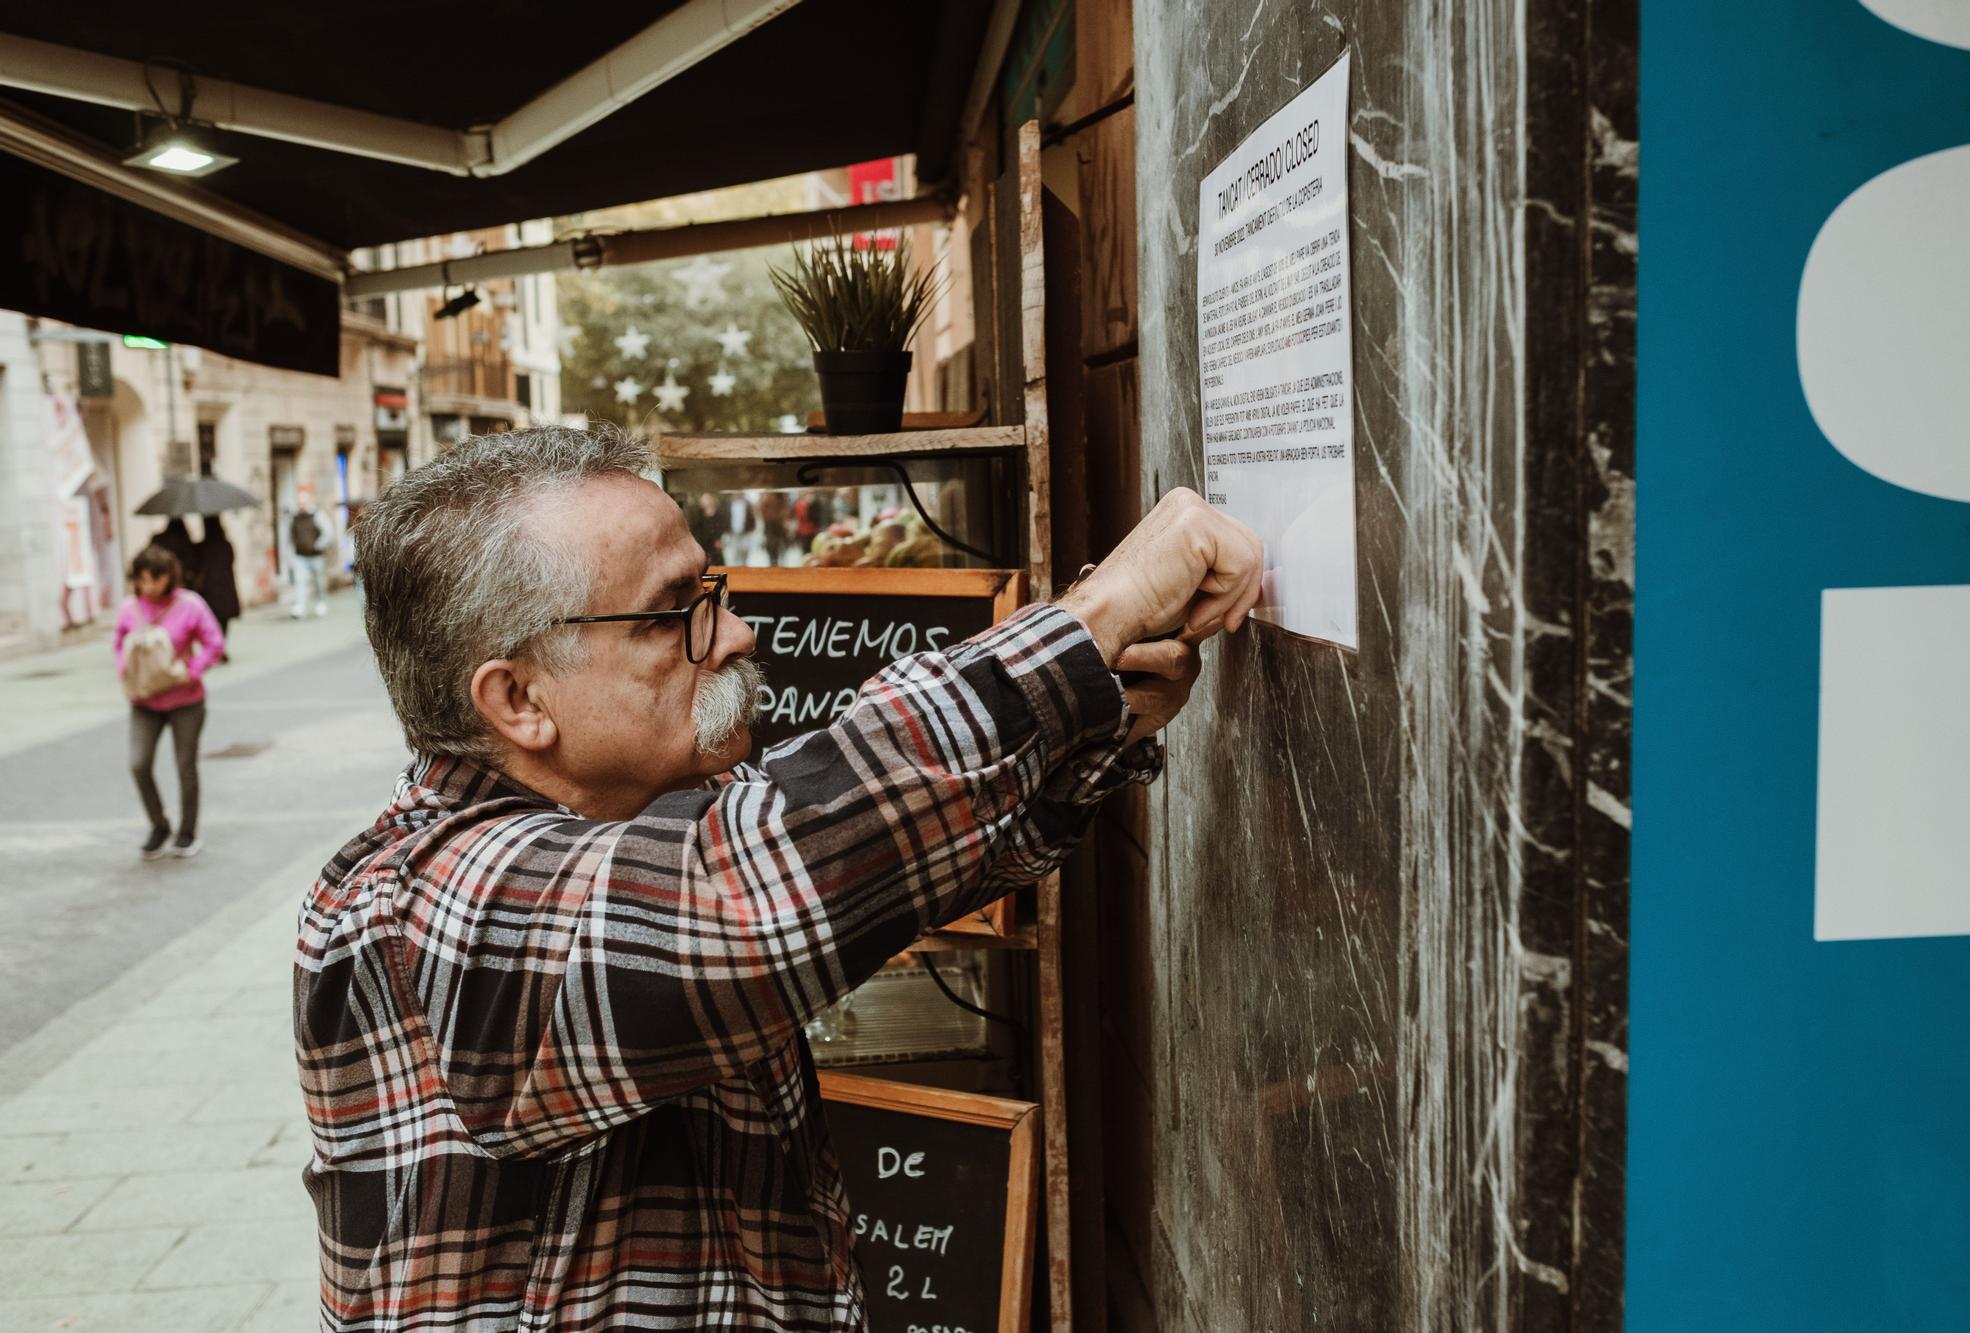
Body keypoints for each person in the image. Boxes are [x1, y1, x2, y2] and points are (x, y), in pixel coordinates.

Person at [296, 425, 1261, 1330]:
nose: (736, 633)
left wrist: (1107, 704)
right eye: (678, 612)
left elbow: (912, 853)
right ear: (518, 698)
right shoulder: (410, 903)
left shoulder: (647, 817)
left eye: (711, 590)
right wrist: (1089, 622)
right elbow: (753, 896)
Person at [114, 544, 224, 859]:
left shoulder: (190, 605)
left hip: (185, 701)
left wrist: (192, 670)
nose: (146, 587)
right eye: (141, 580)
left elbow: (214, 643)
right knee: (139, 764)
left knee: (185, 766)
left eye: (153, 580)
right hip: (144, 701)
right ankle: (158, 824)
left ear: (168, 578)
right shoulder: (129, 608)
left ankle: (187, 832)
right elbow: (118, 643)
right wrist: (127, 672)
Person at [195, 516, 241, 654]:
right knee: (223, 620)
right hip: (225, 587)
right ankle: (221, 646)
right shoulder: (225, 544)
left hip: (210, 589)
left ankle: (218, 648)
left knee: (212, 619)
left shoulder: (202, 547)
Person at [289, 489, 334, 618]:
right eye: (299, 503)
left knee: (319, 582)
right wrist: (291, 552)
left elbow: (328, 533)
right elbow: (290, 537)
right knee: (300, 581)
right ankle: (300, 607)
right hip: (300, 556)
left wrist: (317, 545)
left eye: (303, 502)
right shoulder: (295, 518)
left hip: (316, 556)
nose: (301, 505)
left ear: (308, 502)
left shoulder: (317, 516)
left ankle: (321, 603)